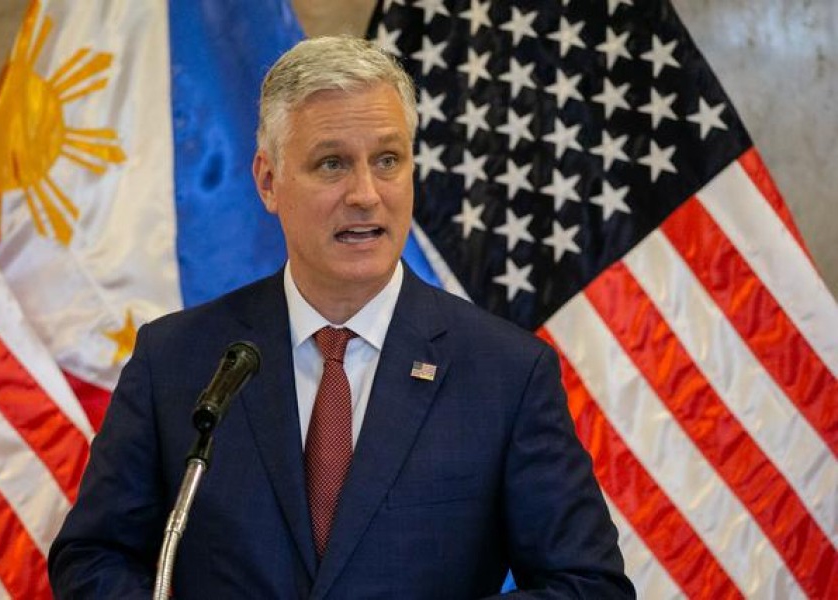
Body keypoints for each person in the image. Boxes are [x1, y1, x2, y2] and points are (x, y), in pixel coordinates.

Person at [49, 36, 635, 599]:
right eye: (332, 164)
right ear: (268, 181)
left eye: (387, 160)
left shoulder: (506, 373)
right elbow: (94, 555)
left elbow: (588, 585)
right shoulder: (176, 359)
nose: (365, 193)